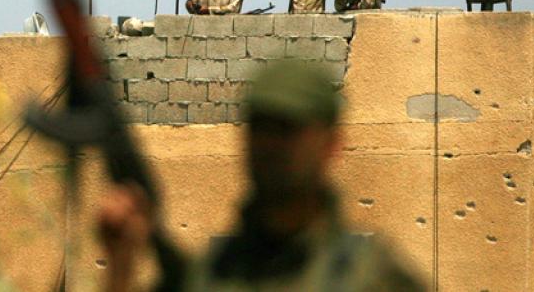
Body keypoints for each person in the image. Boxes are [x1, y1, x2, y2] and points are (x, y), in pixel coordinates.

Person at [98, 62, 427, 291]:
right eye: (260, 128)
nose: (270, 145)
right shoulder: (209, 274)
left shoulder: (373, 278)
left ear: (331, 144)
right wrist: (121, 268)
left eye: (286, 129)